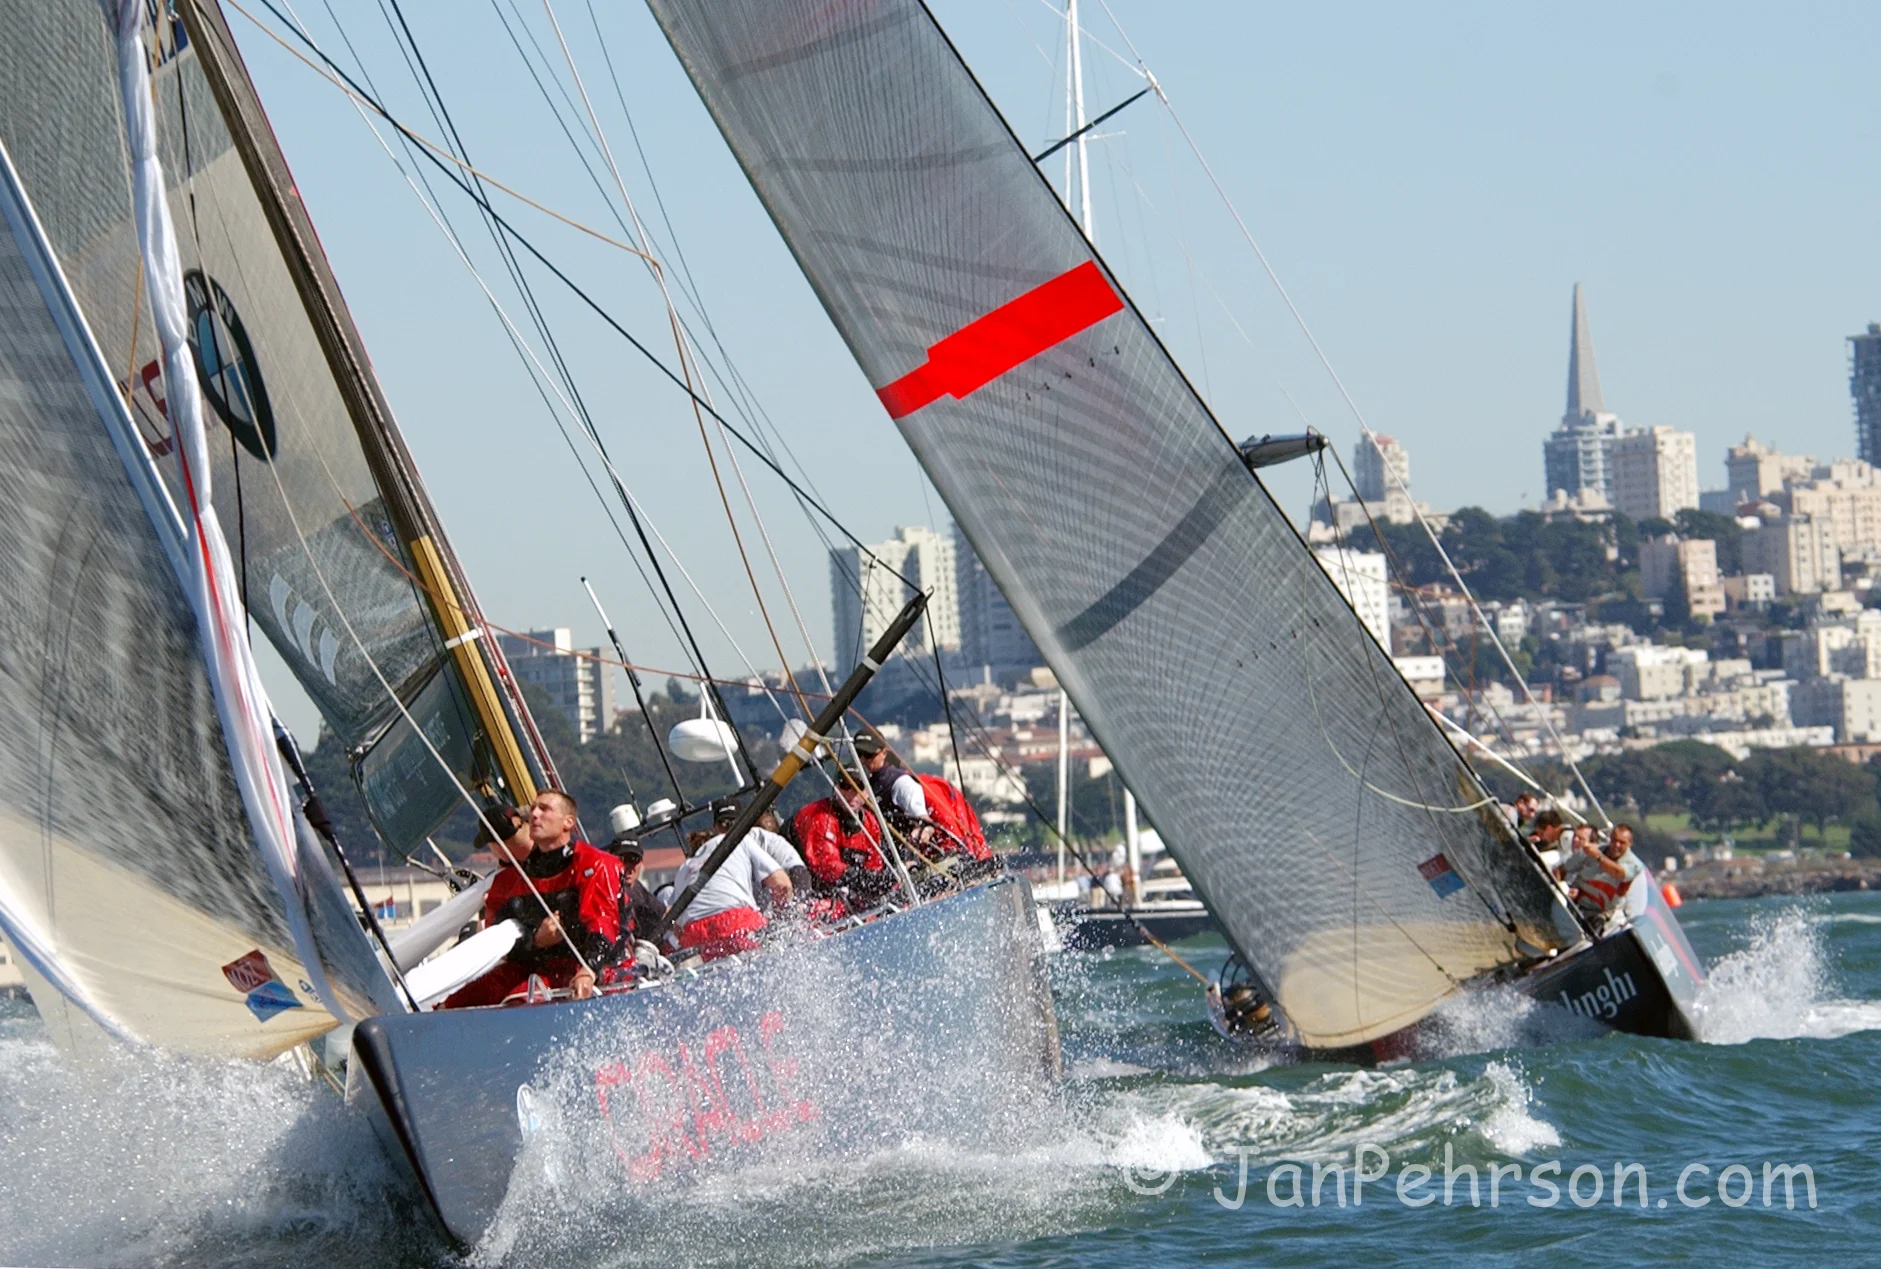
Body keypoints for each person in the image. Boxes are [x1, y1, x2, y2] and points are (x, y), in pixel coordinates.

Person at [441, 790, 624, 1008]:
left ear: (568, 822)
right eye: (533, 808)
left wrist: (588, 970)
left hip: (593, 966)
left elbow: (603, 924)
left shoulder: (596, 864)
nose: (534, 814)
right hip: (534, 966)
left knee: (521, 999)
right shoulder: (507, 881)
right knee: (457, 1002)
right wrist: (536, 940)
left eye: (545, 809)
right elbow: (501, 944)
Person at [854, 734, 993, 867]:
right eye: (858, 754)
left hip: (946, 851)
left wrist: (923, 833)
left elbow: (934, 823)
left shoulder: (905, 785)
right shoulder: (871, 785)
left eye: (868, 755)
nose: (863, 760)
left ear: (884, 754)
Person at [668, 822, 791, 961]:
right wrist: (781, 920)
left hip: (695, 936)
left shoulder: (684, 868)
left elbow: (672, 923)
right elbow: (782, 884)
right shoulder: (735, 841)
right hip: (736, 922)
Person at [790, 775, 894, 902]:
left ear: (866, 793)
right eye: (845, 786)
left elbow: (874, 864)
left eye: (858, 787)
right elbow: (824, 864)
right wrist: (855, 876)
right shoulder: (822, 817)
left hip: (843, 882)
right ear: (836, 789)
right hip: (806, 877)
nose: (851, 793)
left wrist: (875, 881)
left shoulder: (871, 823)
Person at [712, 798, 812, 897]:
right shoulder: (708, 855)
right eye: (724, 824)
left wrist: (801, 902)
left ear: (746, 823)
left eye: (736, 822)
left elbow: (797, 868)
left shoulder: (766, 840)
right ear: (714, 828)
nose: (730, 829)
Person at [1559, 822, 1645, 925]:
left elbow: (1619, 873)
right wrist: (1564, 886)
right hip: (1575, 903)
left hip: (1601, 915)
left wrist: (1599, 857)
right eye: (1614, 840)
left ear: (1630, 843)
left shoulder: (1634, 864)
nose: (1616, 845)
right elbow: (1562, 870)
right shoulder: (1590, 851)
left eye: (1622, 843)